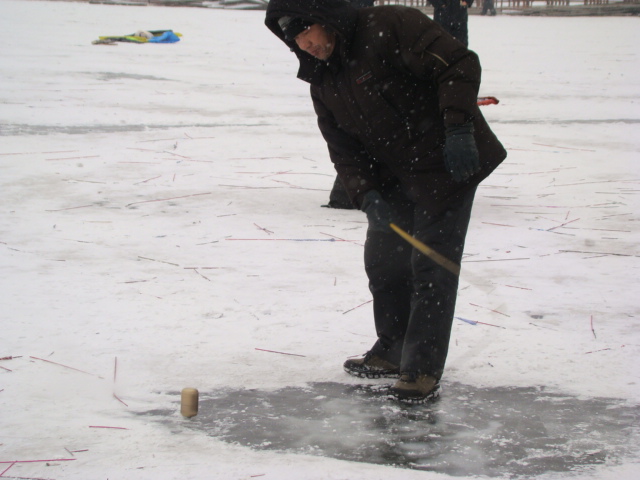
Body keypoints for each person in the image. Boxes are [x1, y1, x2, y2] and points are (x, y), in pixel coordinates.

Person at [265, 0, 506, 403]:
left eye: (308, 32)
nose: (305, 45)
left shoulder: (390, 24)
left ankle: (421, 369)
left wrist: (459, 129)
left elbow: (459, 64)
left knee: (430, 264)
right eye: (296, 40)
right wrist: (366, 193)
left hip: (448, 162)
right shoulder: (323, 78)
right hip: (397, 173)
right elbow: (342, 147)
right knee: (384, 260)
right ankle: (393, 350)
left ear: (325, 19)